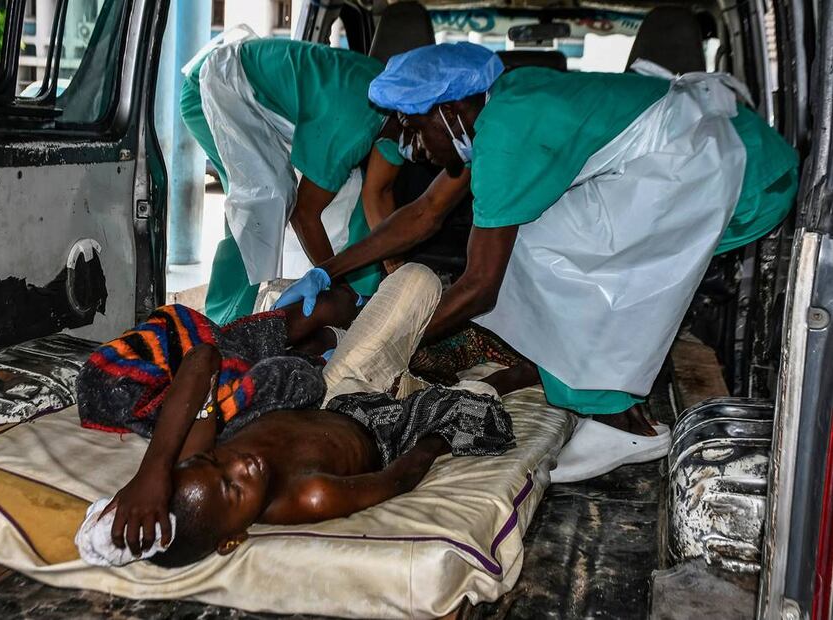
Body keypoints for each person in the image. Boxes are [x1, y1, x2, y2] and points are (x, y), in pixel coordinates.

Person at [276, 43, 799, 482]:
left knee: (548, 251)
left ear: (450, 110)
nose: (410, 147)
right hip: (714, 157)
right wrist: (327, 270)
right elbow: (423, 213)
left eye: (413, 127)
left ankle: (623, 425)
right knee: (549, 241)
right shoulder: (496, 113)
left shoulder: (505, 135)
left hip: (734, 174)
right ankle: (594, 394)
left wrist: (382, 344)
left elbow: (482, 285)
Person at [78, 264, 516, 567]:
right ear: (233, 539)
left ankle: (408, 368)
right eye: (234, 489)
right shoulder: (310, 497)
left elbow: (203, 358)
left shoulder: (197, 467)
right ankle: (487, 378)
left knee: (416, 280)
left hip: (335, 387)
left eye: (215, 460)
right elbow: (394, 480)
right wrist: (437, 431)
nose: (239, 464)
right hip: (382, 423)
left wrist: (153, 470)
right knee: (474, 405)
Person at [181, 36, 432, 324]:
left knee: (351, 193)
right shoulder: (356, 121)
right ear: (416, 120)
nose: (430, 156)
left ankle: (365, 296)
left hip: (271, 106)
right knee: (262, 202)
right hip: (217, 85)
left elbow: (378, 194)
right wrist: (336, 285)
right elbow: (304, 214)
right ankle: (225, 322)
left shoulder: (398, 116)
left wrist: (399, 278)